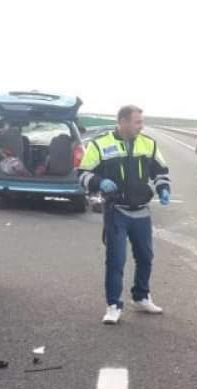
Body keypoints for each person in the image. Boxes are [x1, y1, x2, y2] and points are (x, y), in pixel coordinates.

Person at [77, 105, 171, 325]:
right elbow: (82, 174)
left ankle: (141, 297)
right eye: (137, 122)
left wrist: (163, 188)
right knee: (116, 260)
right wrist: (99, 182)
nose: (141, 126)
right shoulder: (100, 145)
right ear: (123, 122)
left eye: (142, 122)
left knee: (145, 258)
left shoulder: (148, 144)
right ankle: (113, 305)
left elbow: (161, 172)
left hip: (142, 212)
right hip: (116, 212)